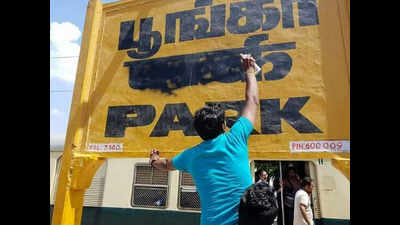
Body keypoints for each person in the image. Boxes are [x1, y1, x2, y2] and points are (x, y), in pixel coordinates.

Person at [148, 54, 259, 225]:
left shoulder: (191, 156)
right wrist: (249, 71)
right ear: (223, 125)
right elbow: (252, 101)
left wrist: (154, 160)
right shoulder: (236, 138)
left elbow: (165, 164)